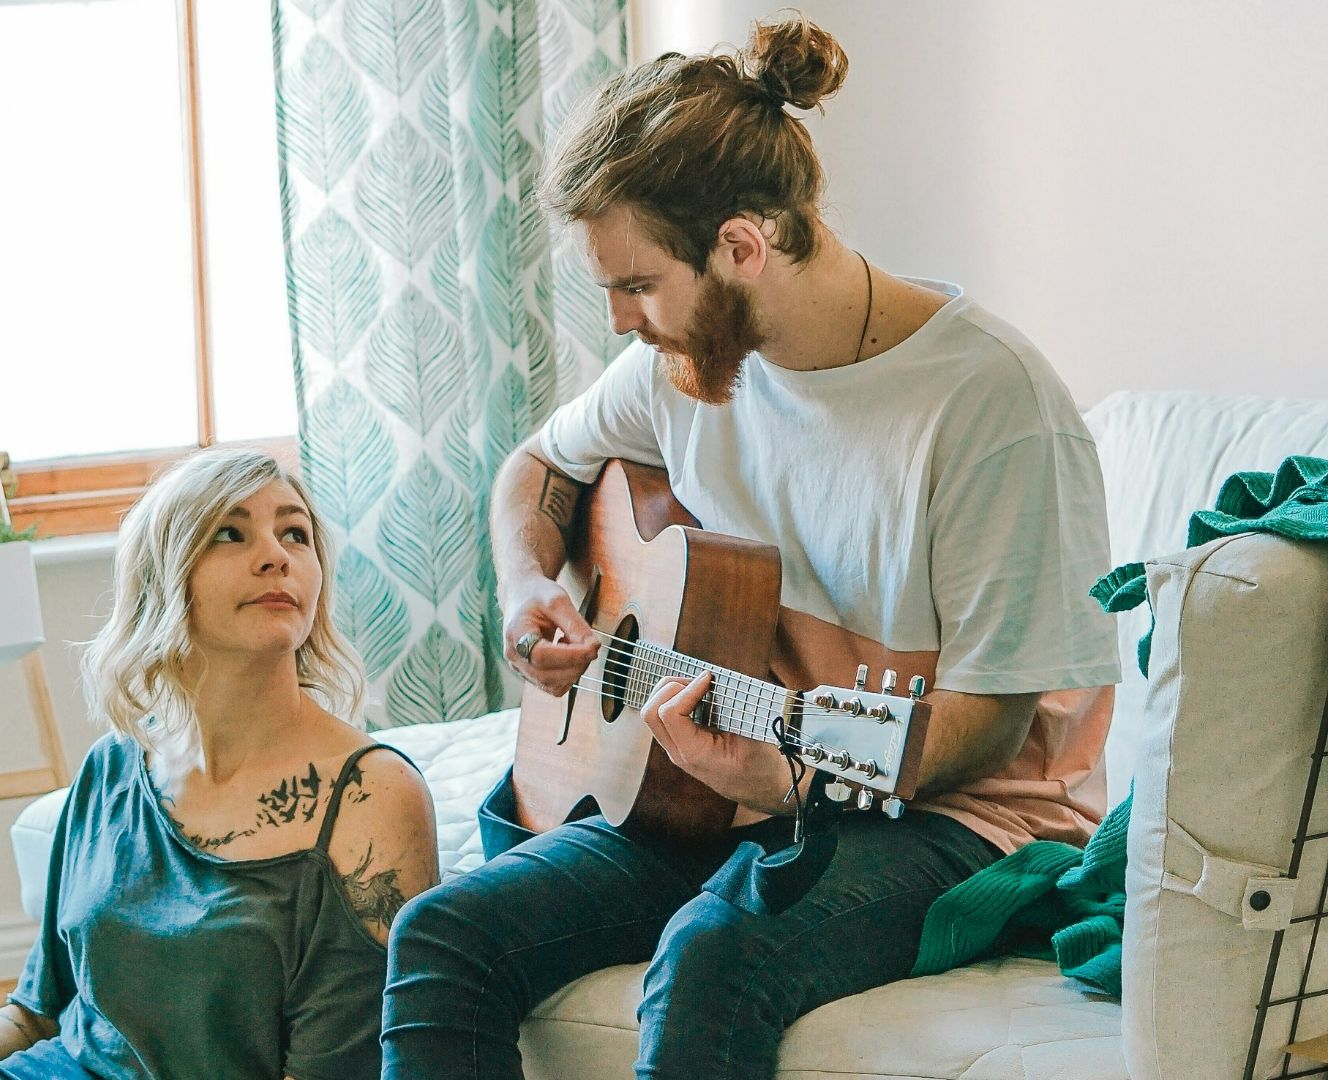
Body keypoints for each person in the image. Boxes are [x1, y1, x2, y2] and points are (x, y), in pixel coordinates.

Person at [379, 14, 1121, 1080]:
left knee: (712, 952)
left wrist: (785, 777)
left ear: (741, 245)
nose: (624, 322)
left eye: (636, 286)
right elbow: (535, 471)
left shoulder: (990, 407)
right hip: (733, 778)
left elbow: (985, 730)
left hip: (964, 819)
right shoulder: (686, 366)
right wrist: (530, 582)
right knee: (442, 935)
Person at [0, 447, 438, 1080]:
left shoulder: (371, 797)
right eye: (230, 534)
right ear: (162, 579)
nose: (277, 555)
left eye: (295, 533)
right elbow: (36, 1015)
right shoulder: (113, 768)